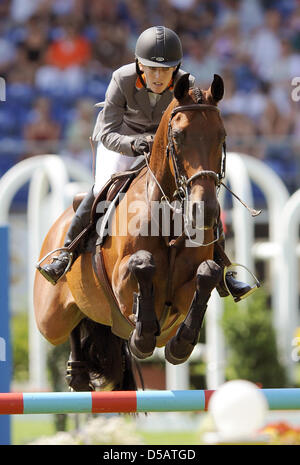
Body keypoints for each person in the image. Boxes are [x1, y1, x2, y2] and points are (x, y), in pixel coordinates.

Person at [38, 25, 256, 302]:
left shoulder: (185, 85)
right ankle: (65, 254)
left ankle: (224, 269)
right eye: (152, 69)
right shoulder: (122, 79)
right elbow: (107, 132)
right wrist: (134, 143)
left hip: (164, 149)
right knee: (101, 190)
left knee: (200, 196)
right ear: (139, 64)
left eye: (164, 70)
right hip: (121, 143)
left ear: (175, 69)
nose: (158, 76)